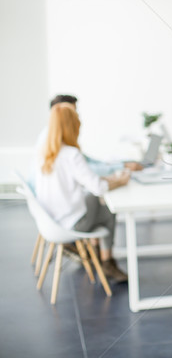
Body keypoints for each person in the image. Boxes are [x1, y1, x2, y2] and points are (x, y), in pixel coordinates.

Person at [34, 103, 130, 282]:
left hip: (52, 222)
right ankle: (107, 260)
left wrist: (109, 181)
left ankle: (95, 253)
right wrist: (120, 181)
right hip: (72, 225)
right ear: (73, 126)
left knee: (91, 199)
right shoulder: (71, 155)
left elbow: (88, 181)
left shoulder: (44, 154)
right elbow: (98, 188)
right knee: (108, 209)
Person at [36, 95, 143, 177]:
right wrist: (121, 168)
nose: (77, 117)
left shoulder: (55, 137)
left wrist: (120, 164)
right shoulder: (55, 144)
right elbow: (88, 170)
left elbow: (86, 161)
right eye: (72, 112)